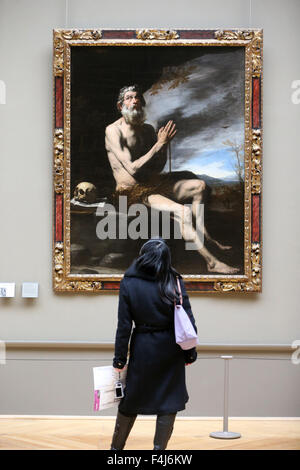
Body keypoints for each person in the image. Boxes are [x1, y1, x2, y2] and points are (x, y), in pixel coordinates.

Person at [105, 85, 239, 274]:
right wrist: (158, 144)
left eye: (137, 98)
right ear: (120, 106)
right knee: (183, 212)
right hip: (130, 193)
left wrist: (164, 146)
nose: (134, 101)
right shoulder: (113, 131)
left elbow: (157, 166)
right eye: (129, 98)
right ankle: (212, 262)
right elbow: (133, 168)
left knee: (199, 186)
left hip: (152, 186)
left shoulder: (148, 130)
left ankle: (203, 235)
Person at [110, 238, 198, 450]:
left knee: (131, 399)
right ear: (166, 258)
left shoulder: (129, 281)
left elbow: (124, 326)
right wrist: (189, 354)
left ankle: (115, 450)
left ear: (142, 256)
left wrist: (119, 359)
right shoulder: (174, 281)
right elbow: (188, 321)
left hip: (143, 347)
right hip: (171, 349)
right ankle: (159, 452)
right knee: (168, 401)